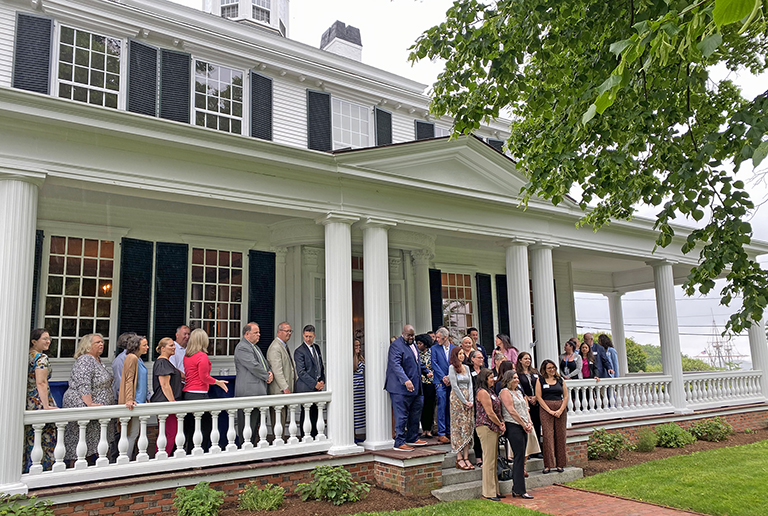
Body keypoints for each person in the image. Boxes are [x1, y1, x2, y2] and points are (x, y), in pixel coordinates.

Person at [62, 334, 113, 464]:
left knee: (95, 445)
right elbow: (83, 383)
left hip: (97, 414)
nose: (101, 344)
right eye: (97, 342)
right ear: (88, 345)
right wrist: (89, 403)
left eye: (102, 342)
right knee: (81, 446)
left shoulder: (98, 360)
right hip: (84, 408)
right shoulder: (85, 360)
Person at [385, 324, 431, 451]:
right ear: (403, 333)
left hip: (416, 387)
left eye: (413, 335)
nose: (411, 337)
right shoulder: (396, 346)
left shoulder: (414, 344)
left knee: (415, 413)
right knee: (402, 415)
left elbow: (417, 362)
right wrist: (406, 380)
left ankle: (412, 437)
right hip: (400, 388)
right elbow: (395, 365)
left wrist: (426, 371)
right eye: (409, 335)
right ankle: (399, 442)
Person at [184, 328, 229, 452]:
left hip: (188, 394)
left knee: (192, 429)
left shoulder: (187, 356)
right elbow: (204, 377)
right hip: (199, 395)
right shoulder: (202, 356)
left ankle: (190, 455)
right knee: (204, 429)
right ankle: (199, 456)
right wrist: (218, 382)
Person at [23, 328, 58, 473]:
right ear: (34, 341)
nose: (48, 341)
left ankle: (26, 469)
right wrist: (46, 405)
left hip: (26, 400)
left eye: (49, 338)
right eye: (44, 339)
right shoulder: (40, 358)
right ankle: (44, 471)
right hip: (38, 401)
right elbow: (41, 382)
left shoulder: (24, 356)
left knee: (29, 440)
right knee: (46, 438)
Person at [234, 322, 272, 445]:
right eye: (256, 333)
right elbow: (253, 366)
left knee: (255, 425)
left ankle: (252, 451)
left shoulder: (255, 347)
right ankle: (244, 454)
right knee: (246, 426)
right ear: (247, 334)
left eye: (258, 332)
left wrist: (269, 371)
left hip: (258, 391)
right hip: (248, 392)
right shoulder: (242, 347)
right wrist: (266, 376)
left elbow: (263, 364)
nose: (259, 335)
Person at [499, 370, 535, 499]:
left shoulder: (519, 392)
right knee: (519, 456)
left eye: (517, 378)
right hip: (513, 426)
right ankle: (520, 489)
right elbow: (511, 410)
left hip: (524, 425)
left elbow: (525, 409)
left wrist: (529, 422)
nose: (517, 380)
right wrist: (523, 424)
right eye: (514, 378)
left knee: (522, 455)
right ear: (508, 379)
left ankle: (517, 488)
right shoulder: (504, 392)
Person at [474, 368, 505, 502]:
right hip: (485, 426)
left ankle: (496, 490)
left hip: (493, 427)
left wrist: (500, 423)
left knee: (493, 458)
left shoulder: (491, 391)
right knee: (488, 460)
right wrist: (500, 424)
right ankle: (488, 492)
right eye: (491, 377)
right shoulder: (482, 392)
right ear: (484, 379)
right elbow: (489, 412)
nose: (493, 379)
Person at [118, 335, 149, 458]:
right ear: (136, 346)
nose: (147, 347)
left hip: (141, 401)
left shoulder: (139, 359)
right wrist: (129, 399)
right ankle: (125, 459)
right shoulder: (131, 358)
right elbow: (129, 380)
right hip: (134, 402)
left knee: (135, 433)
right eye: (144, 345)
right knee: (132, 433)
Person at [535, 359, 569, 474]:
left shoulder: (560, 380)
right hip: (546, 409)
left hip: (560, 409)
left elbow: (565, 396)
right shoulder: (540, 380)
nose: (552, 370)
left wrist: (560, 409)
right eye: (549, 368)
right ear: (544, 369)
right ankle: (548, 465)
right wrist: (549, 410)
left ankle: (560, 464)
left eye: (553, 367)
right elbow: (538, 397)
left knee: (560, 435)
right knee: (548, 436)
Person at [151, 337, 183, 456]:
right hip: (165, 402)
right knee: (170, 433)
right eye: (170, 345)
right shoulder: (162, 362)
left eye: (174, 345)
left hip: (167, 402)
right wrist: (172, 403)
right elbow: (165, 385)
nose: (174, 347)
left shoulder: (167, 362)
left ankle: (163, 456)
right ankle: (162, 457)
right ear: (162, 348)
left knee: (168, 432)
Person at [294, 324, 325, 438]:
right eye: (306, 336)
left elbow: (320, 366)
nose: (308, 339)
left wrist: (322, 380)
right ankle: (305, 438)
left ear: (314, 336)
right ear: (303, 335)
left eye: (310, 336)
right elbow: (301, 372)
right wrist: (314, 384)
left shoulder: (316, 348)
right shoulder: (299, 351)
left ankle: (316, 437)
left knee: (316, 414)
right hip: (305, 387)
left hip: (317, 386)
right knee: (306, 413)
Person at [267, 322, 295, 438]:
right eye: (286, 331)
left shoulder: (283, 346)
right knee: (278, 422)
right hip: (279, 391)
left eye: (290, 331)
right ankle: (277, 448)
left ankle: (281, 445)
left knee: (282, 421)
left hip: (284, 391)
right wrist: (285, 387)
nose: (289, 334)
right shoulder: (275, 347)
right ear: (279, 332)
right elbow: (277, 370)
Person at [448, 347, 474, 470]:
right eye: (459, 354)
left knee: (467, 426)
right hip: (457, 400)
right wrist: (464, 401)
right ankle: (459, 457)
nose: (462, 356)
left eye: (463, 354)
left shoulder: (467, 368)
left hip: (468, 398)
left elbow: (470, 385)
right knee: (458, 426)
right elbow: (454, 386)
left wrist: (471, 401)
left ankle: (466, 456)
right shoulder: (452, 368)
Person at [430, 327, 454, 444]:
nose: (436, 339)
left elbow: (456, 363)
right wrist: (443, 377)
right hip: (440, 381)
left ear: (445, 338)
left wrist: (450, 377)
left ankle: (450, 430)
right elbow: (434, 363)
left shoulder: (454, 348)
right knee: (441, 404)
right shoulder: (434, 348)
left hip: (451, 380)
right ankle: (441, 432)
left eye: (438, 337)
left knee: (450, 405)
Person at [516, 351, 542, 458]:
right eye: (526, 359)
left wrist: (536, 397)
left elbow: (540, 383)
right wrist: (526, 397)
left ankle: (537, 450)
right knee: (527, 425)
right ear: (520, 360)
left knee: (536, 425)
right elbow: (518, 387)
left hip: (536, 401)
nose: (528, 361)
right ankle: (528, 450)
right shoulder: (517, 374)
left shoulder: (534, 372)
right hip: (525, 402)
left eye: (529, 359)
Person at [415, 334, 435, 438]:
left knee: (430, 406)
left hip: (430, 382)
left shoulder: (432, 353)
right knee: (421, 406)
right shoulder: (416, 353)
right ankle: (423, 429)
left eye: (420, 343)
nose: (418, 345)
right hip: (420, 382)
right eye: (417, 343)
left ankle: (429, 429)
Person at [468, 348, 485, 468]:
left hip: (485, 403)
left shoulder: (484, 371)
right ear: (472, 359)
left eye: (482, 357)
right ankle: (478, 457)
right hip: (474, 403)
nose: (481, 359)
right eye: (479, 357)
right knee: (476, 430)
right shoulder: (468, 370)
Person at [111, 332, 136, 403]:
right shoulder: (120, 360)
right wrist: (126, 399)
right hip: (124, 400)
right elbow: (120, 381)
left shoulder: (137, 358)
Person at [352, 338, 366, 439]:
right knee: (353, 411)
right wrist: (355, 354)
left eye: (359, 346)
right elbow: (354, 367)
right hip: (354, 386)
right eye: (356, 346)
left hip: (360, 386)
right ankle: (352, 434)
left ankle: (357, 433)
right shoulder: (352, 357)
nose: (358, 348)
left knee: (359, 412)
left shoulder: (360, 357)